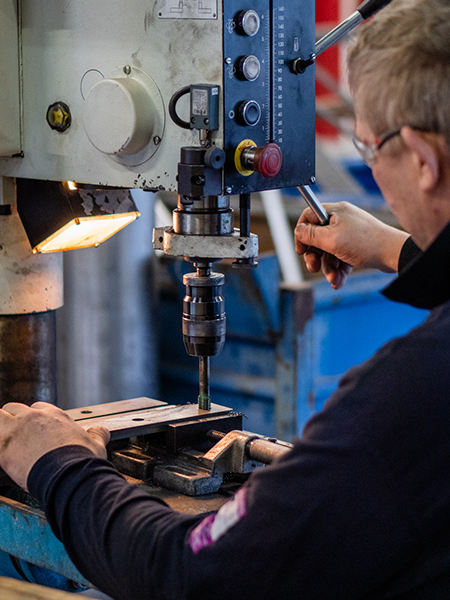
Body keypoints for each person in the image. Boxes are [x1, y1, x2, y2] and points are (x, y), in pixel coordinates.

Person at [2, 0, 450, 598]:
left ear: (423, 161)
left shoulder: (410, 394)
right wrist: (401, 251)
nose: (376, 170)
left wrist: (59, 464)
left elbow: (193, 575)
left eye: (370, 149)